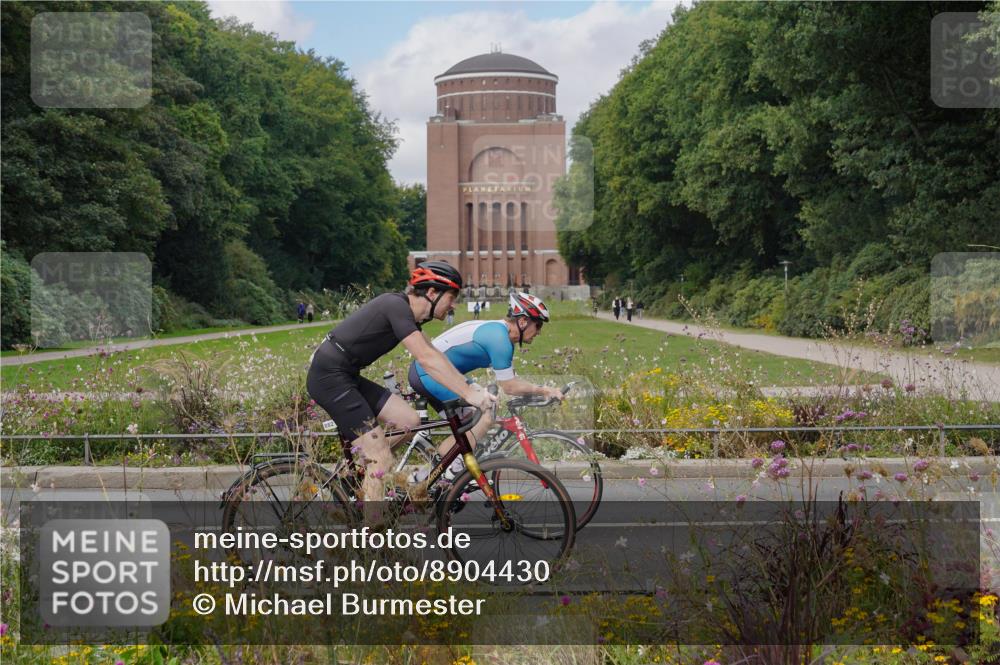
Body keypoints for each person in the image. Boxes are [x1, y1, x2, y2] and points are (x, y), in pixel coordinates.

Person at [306, 261, 495, 505]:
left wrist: (469, 387)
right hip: (329, 377)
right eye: (452, 296)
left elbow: (435, 354)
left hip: (346, 375)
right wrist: (469, 394)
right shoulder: (395, 306)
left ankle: (358, 473)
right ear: (432, 293)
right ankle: (371, 535)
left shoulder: (409, 317)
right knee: (381, 458)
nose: (454, 304)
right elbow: (426, 360)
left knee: (409, 421)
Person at [408, 291, 562, 477]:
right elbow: (510, 386)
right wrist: (544, 391)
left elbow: (511, 379)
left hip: (439, 373)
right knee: (483, 417)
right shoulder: (500, 339)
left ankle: (434, 474)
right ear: (522, 321)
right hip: (428, 373)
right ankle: (447, 474)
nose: (539, 332)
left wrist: (538, 391)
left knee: (480, 415)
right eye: (537, 325)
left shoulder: (500, 333)